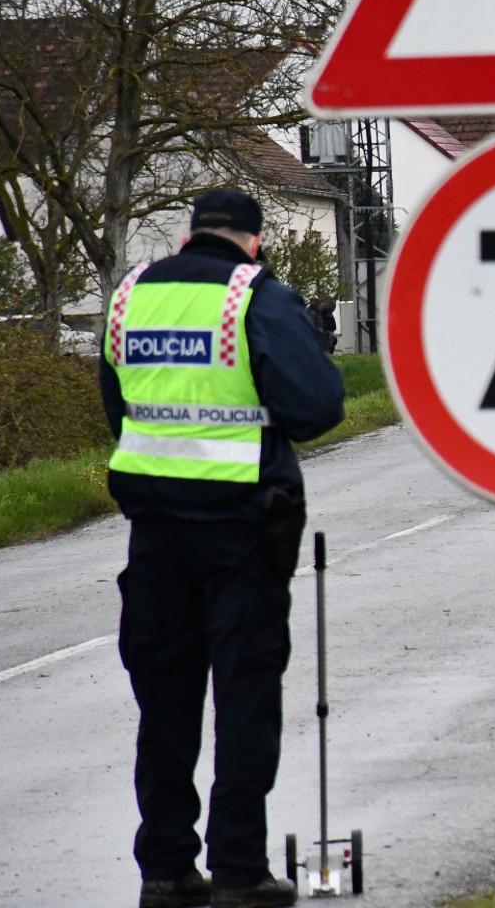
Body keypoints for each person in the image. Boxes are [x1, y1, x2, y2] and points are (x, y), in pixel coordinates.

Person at [101, 189, 345, 908]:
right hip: (243, 528)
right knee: (244, 698)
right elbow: (316, 405)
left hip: (154, 533)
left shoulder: (130, 296)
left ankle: (167, 868)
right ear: (255, 241)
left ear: (188, 234)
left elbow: (120, 405)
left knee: (164, 703)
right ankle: (240, 867)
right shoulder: (254, 296)